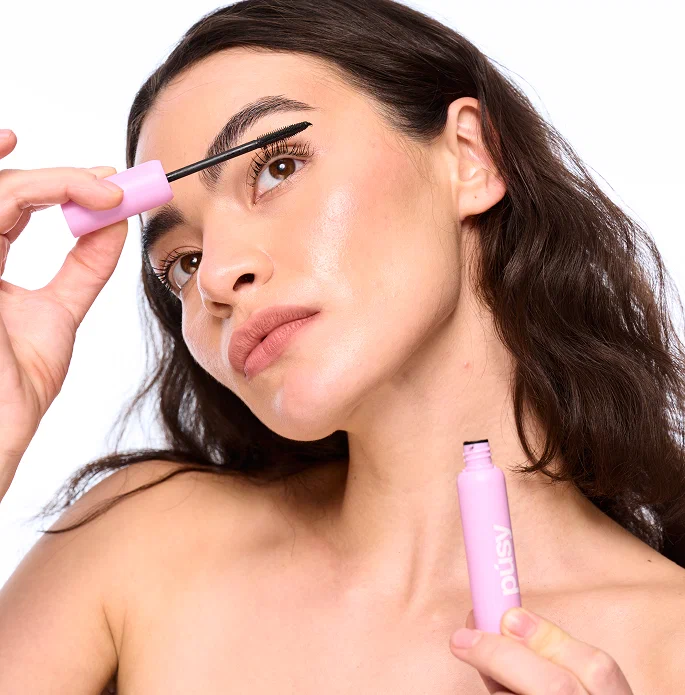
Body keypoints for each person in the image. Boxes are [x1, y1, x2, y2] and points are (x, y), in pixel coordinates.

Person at [0, 1, 683, 693]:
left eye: (277, 167)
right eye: (183, 260)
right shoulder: (140, 550)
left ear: (469, 158)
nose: (215, 277)